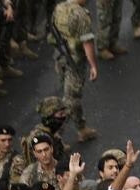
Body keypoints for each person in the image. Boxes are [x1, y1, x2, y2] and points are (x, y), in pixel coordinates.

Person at [50, 0, 98, 144]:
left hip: (60, 57)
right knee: (70, 101)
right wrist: (93, 65)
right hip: (74, 60)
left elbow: (53, 30)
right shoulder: (80, 14)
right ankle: (54, 136)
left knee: (70, 96)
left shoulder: (59, 8)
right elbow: (87, 42)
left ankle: (82, 128)